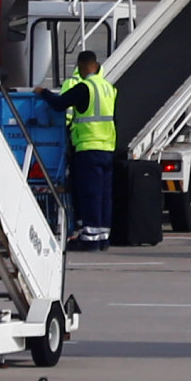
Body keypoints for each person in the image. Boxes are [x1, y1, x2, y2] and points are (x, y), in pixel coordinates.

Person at [60, 49, 118, 251]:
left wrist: (41, 93)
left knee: (90, 194)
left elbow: (60, 105)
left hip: (88, 146)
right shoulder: (109, 88)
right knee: (104, 195)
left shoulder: (84, 87)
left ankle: (90, 239)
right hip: (107, 147)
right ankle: (102, 237)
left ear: (82, 66)